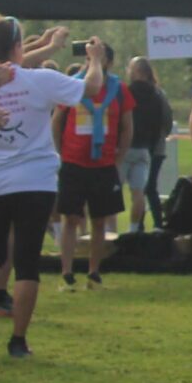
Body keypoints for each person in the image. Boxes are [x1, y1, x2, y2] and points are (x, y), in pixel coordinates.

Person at [0, 20, 84, 358]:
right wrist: (96, 61)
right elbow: (88, 88)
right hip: (34, 178)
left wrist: (47, 46)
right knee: (27, 261)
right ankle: (18, 341)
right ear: (16, 47)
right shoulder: (39, 79)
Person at [53, 37, 133, 288]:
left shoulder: (119, 89)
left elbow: (127, 126)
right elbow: (57, 121)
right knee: (70, 218)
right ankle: (67, 270)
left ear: (108, 61)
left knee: (100, 220)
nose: (93, 62)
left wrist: (119, 157)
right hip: (74, 161)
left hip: (104, 163)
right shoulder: (73, 86)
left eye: (98, 57)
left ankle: (94, 270)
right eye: (88, 57)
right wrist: (60, 152)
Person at [121, 57, 172, 229]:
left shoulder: (127, 92)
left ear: (137, 72)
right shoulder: (158, 94)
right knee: (149, 188)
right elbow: (167, 121)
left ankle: (138, 227)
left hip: (131, 145)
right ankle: (157, 225)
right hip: (155, 147)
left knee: (134, 189)